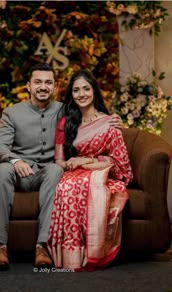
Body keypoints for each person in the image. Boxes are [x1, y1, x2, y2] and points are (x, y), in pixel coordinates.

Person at [0, 63, 124, 271]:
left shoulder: (65, 111)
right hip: (19, 173)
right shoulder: (12, 113)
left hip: (48, 173)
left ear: (54, 86)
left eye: (48, 83)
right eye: (38, 82)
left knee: (55, 169)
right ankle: (0, 247)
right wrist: (16, 161)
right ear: (28, 85)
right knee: (2, 168)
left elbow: (92, 119)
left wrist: (115, 120)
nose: (43, 87)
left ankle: (41, 247)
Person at [47, 69, 133, 272]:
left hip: (98, 171)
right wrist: (70, 164)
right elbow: (59, 160)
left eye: (86, 88)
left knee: (89, 185)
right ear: (71, 95)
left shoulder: (108, 123)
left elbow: (119, 163)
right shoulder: (65, 122)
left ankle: (93, 252)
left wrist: (85, 161)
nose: (81, 94)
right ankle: (72, 255)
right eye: (76, 90)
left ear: (94, 91)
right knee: (65, 186)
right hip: (72, 171)